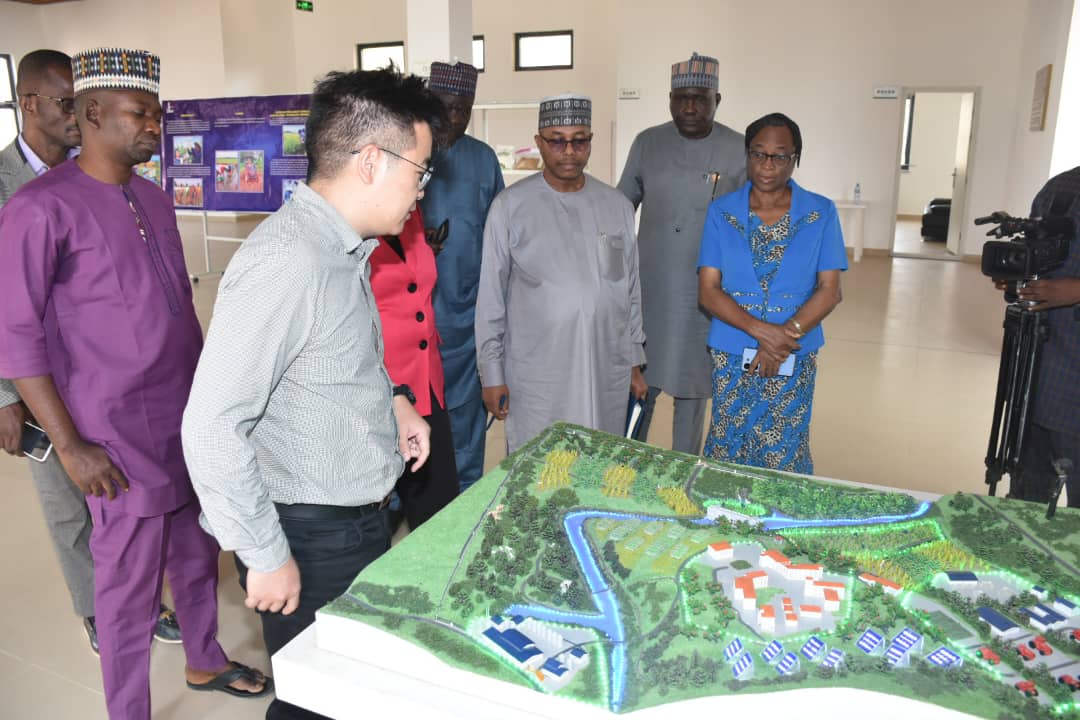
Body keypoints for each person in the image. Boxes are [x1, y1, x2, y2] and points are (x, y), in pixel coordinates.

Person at [0, 47, 268, 720]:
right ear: (92, 113)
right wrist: (70, 446)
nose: (155, 126)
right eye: (140, 113)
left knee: (198, 549)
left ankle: (204, 657)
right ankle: (128, 711)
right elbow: (16, 336)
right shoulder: (39, 208)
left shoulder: (152, 196)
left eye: (157, 113)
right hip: (112, 432)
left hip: (184, 414)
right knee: (126, 587)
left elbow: (177, 306)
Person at [182, 67, 442, 720]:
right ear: (372, 161)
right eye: (420, 171)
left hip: (355, 515)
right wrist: (265, 555)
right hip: (308, 532)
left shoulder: (342, 249)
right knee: (315, 704)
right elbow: (211, 425)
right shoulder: (287, 261)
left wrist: (394, 402)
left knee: (348, 693)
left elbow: (331, 361)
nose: (422, 191)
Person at [476, 94, 647, 453]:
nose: (569, 151)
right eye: (557, 141)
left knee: (598, 459)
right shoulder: (509, 207)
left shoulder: (616, 205)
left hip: (605, 365)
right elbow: (491, 299)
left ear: (590, 142)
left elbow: (629, 289)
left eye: (579, 140)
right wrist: (492, 374)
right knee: (540, 463)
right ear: (539, 143)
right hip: (539, 374)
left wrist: (634, 362)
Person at [697, 112, 846, 474]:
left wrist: (784, 337)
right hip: (732, 353)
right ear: (747, 155)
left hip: (793, 352)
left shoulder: (820, 213)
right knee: (729, 442)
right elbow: (709, 291)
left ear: (795, 159)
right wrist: (763, 332)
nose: (768, 165)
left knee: (783, 448)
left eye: (780, 156)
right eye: (758, 153)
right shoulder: (722, 213)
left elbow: (830, 290)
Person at [618, 52, 746, 454]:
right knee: (640, 386)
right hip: (651, 291)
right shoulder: (647, 143)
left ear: (716, 100)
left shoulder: (738, 149)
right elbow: (621, 208)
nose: (689, 108)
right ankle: (628, 464)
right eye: (680, 98)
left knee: (694, 389)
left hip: (704, 297)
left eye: (699, 99)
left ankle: (684, 473)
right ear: (670, 99)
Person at [420, 60, 504, 491]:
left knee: (466, 427)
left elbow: (500, 236)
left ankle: (465, 498)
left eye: (463, 109)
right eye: (445, 107)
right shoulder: (407, 149)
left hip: (467, 317)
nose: (454, 118)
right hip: (414, 321)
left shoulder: (482, 160)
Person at [992, 166, 1080, 506]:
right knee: (1027, 500)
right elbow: (1037, 255)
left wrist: (1075, 291)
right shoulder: (1062, 186)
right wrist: (1016, 276)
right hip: (1037, 377)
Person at [371, 208, 459, 528]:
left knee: (439, 518)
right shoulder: (348, 229)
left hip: (426, 384)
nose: (420, 192)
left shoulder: (409, 212)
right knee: (371, 524)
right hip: (376, 389)